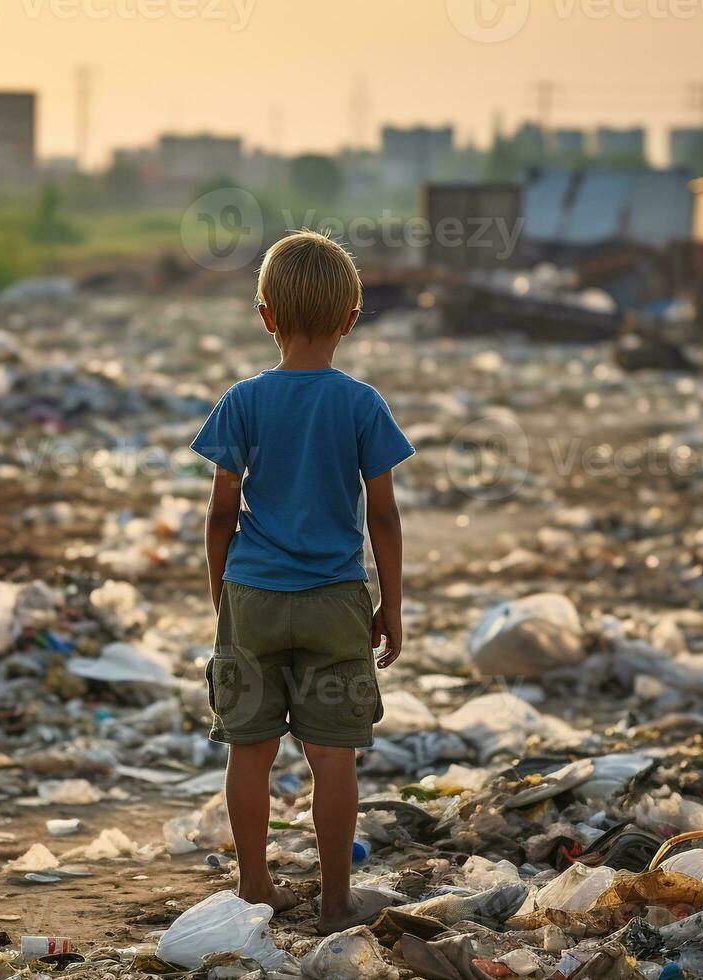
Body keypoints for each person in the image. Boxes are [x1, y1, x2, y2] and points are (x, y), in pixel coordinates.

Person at [190, 229, 415, 935]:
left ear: (265, 316)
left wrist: (220, 596)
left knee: (249, 752)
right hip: (333, 601)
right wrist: (392, 607)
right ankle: (336, 900)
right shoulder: (360, 404)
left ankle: (254, 884)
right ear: (351, 319)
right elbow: (383, 515)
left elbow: (221, 513)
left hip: (252, 596)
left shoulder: (243, 401)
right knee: (332, 756)